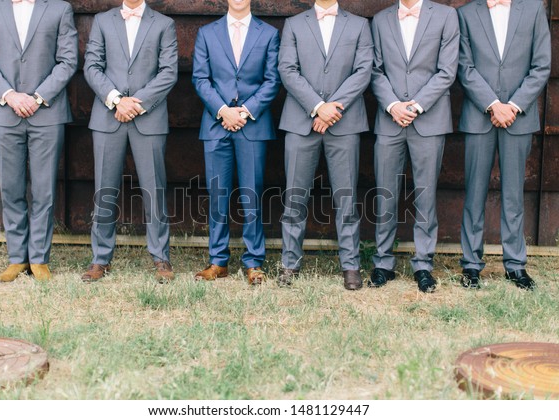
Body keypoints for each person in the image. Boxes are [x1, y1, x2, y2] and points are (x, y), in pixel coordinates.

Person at [0, 0, 77, 282]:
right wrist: (9, 94)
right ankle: (17, 258)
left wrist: (38, 97)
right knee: (11, 187)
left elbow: (68, 61)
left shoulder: (59, 9)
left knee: (44, 190)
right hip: (5, 112)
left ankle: (40, 258)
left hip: (47, 112)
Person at [277, 0, 373, 290]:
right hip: (300, 121)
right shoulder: (294, 24)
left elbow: (363, 71)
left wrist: (333, 108)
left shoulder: (359, 25)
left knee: (346, 198)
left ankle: (351, 265)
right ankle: (290, 263)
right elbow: (287, 69)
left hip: (344, 122)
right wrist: (318, 106)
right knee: (295, 196)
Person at [82, 0, 178, 282]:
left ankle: (161, 257)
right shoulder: (102, 21)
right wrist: (115, 100)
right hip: (107, 116)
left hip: (148, 116)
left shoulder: (164, 24)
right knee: (104, 188)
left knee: (154, 190)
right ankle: (100, 258)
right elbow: (92, 66)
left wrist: (137, 103)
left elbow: (169, 71)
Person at [457, 0, 550, 290]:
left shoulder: (534, 9)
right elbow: (464, 66)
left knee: (513, 193)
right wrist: (492, 104)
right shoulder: (466, 13)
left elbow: (541, 64)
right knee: (474, 194)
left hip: (518, 118)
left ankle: (515, 265)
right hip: (478, 116)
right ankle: (471, 265)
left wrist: (514, 106)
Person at [370, 0, 459, 293]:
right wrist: (394, 105)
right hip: (389, 119)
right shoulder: (381, 20)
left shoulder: (446, 16)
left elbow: (447, 71)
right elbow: (375, 70)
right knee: (385, 193)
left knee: (425, 195)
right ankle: (382, 262)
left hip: (429, 119)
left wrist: (417, 105)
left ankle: (423, 265)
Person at [192, 0, 280, 285]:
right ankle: (218, 261)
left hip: (252, 124)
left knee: (251, 194)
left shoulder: (268, 33)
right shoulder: (207, 33)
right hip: (217, 124)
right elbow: (200, 78)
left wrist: (245, 111)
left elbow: (272, 80)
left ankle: (254, 262)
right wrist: (223, 110)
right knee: (218, 195)